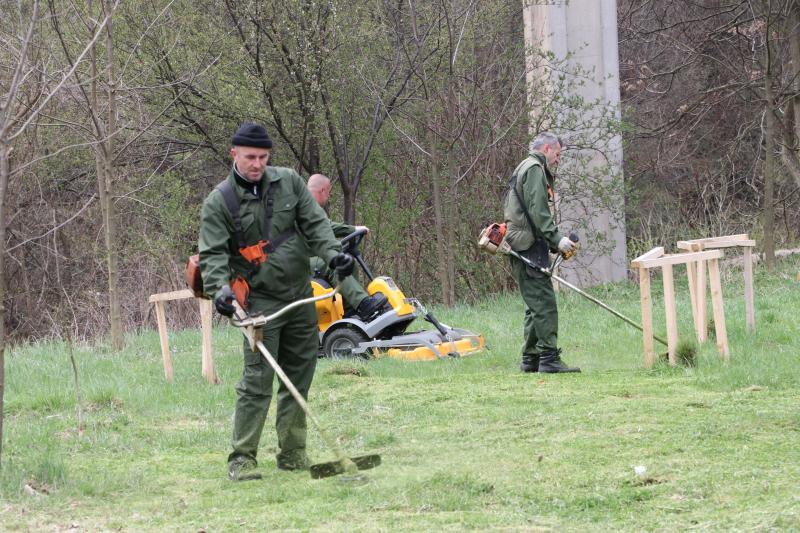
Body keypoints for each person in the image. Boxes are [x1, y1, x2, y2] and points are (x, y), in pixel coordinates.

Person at [198, 123, 354, 481]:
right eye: (250, 157)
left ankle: (293, 454)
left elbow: (315, 224)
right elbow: (212, 255)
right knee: (256, 382)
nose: (257, 164)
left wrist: (334, 255)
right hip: (259, 304)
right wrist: (219, 289)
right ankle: (242, 459)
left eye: (263, 157)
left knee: (299, 376)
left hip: (300, 297)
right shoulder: (219, 201)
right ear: (234, 154)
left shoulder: (289, 182)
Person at [503, 132, 580, 374]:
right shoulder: (535, 169)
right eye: (557, 154)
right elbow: (538, 211)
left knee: (534, 303)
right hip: (528, 244)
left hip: (522, 242)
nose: (558, 159)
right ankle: (549, 358)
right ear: (546, 148)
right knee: (544, 303)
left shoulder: (523, 166)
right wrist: (558, 240)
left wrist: (553, 243)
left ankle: (531, 358)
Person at [306, 173, 388, 321]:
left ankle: (352, 312)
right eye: (329, 192)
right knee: (332, 264)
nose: (329, 197)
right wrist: (352, 229)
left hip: (309, 258)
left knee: (348, 261)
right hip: (297, 262)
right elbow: (325, 227)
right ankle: (363, 304)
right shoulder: (303, 206)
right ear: (323, 190)